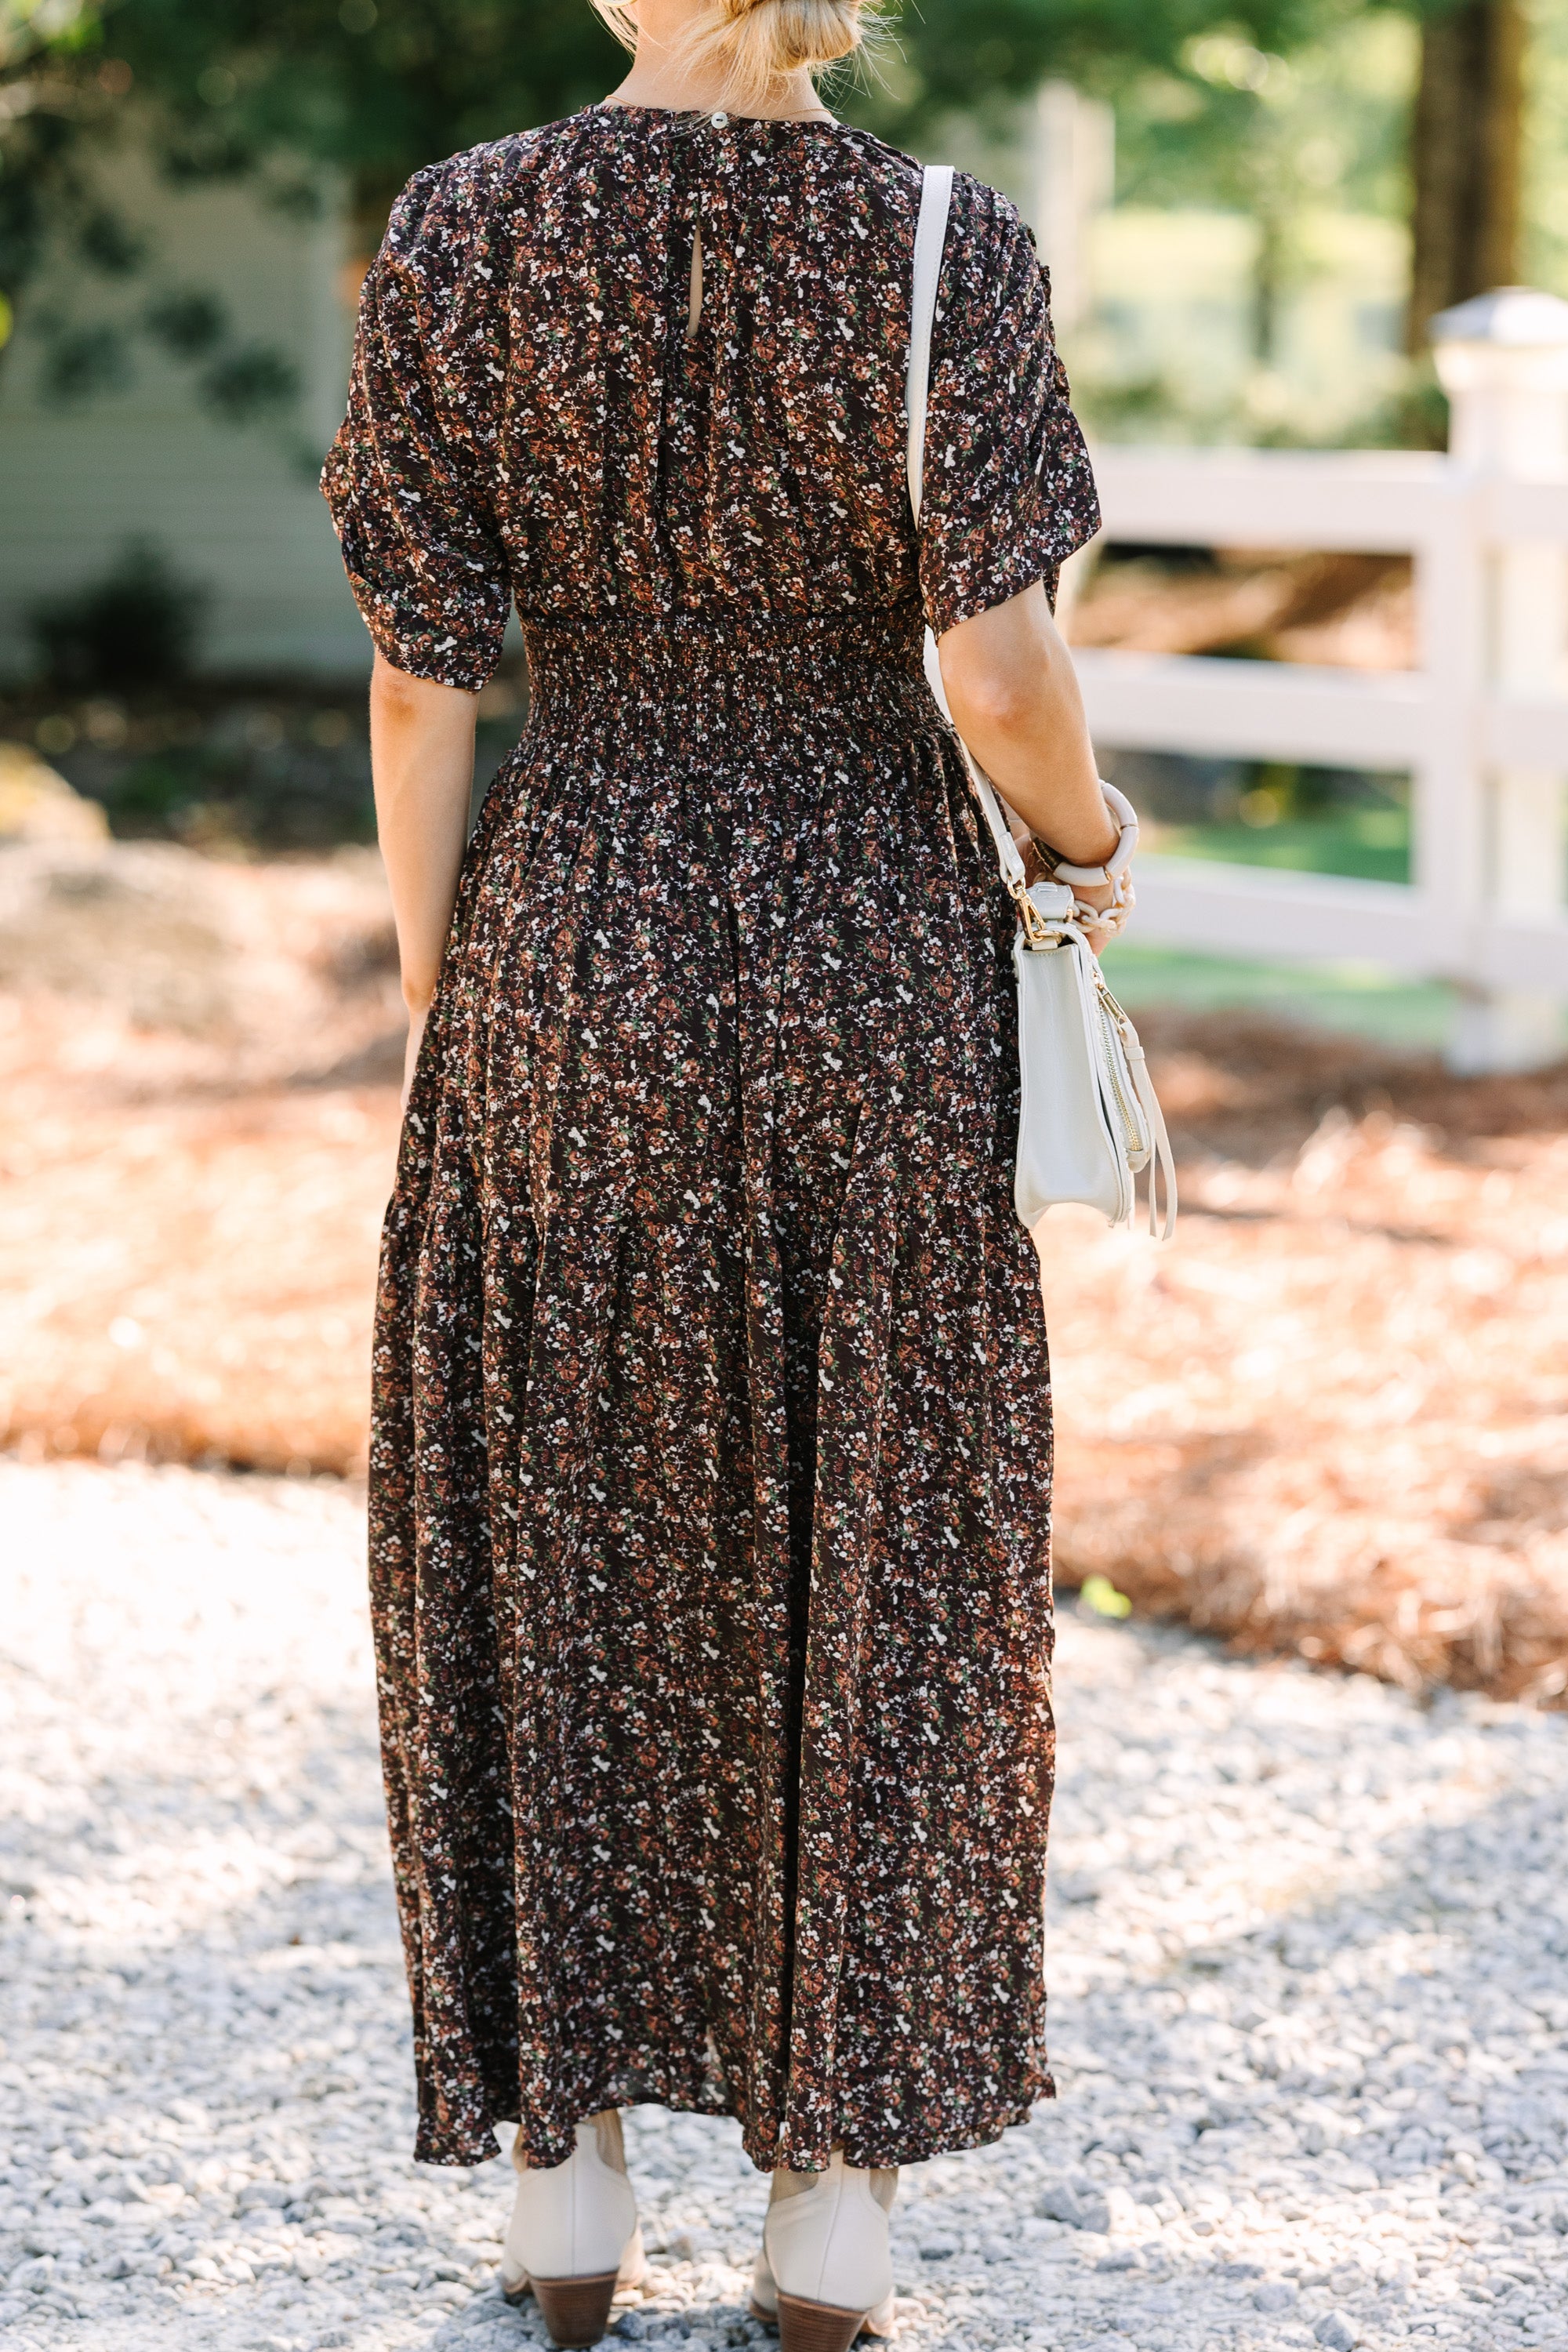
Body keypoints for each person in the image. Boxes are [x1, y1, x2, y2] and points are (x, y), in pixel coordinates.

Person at [321, 0, 1119, 2344]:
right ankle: (834, 2212)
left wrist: (444, 991)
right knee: (878, 1520)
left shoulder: (464, 230)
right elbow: (995, 670)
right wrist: (1090, 844)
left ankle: (564, 2192)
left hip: (572, 929)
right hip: (872, 949)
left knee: (553, 1510)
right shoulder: (943, 246)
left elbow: (417, 676)